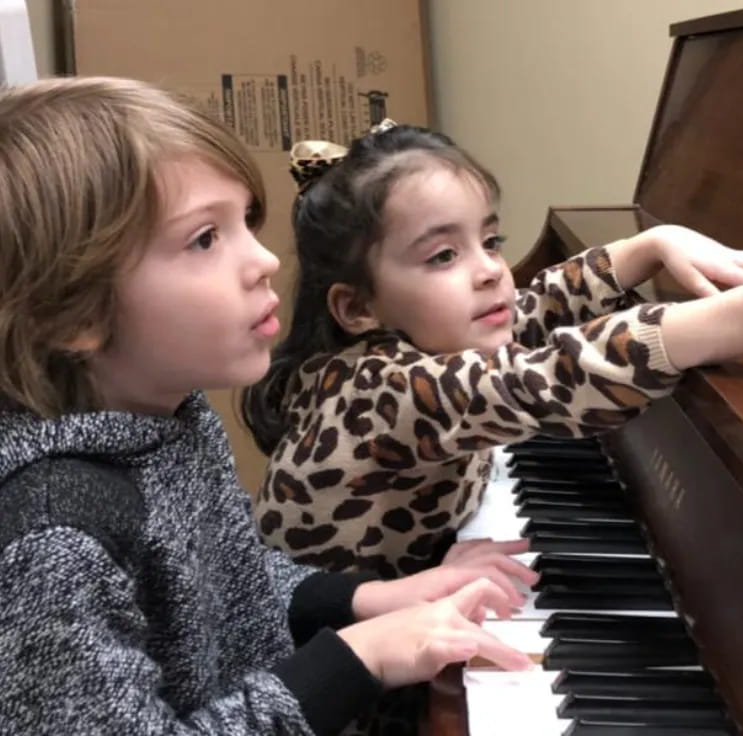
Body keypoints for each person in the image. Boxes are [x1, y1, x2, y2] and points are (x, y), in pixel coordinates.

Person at [0, 77, 537, 736]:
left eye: (246, 223)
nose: (261, 260)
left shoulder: (168, 419)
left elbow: (230, 593)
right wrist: (357, 658)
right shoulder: (54, 538)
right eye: (204, 239)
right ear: (72, 313)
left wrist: (366, 599)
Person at [241, 122, 743, 581]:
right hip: (351, 693)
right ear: (359, 308)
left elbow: (533, 310)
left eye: (490, 242)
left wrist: (649, 244)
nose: (491, 271)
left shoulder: (421, 341)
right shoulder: (374, 395)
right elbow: (541, 379)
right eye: (444, 255)